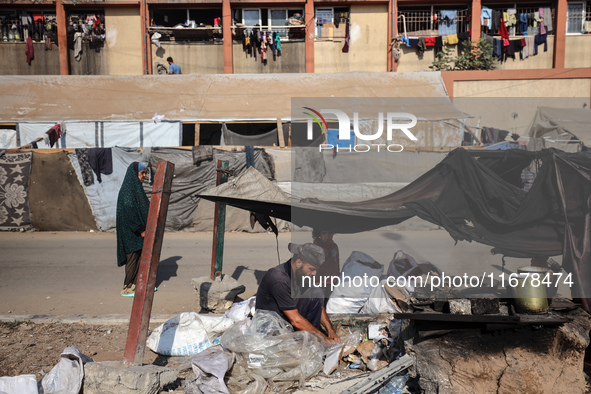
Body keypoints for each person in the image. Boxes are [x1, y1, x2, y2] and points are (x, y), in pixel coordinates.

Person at [255, 243, 342, 342]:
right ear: (298, 263)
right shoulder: (279, 279)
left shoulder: (301, 276)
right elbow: (295, 320)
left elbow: (316, 303)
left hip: (287, 322)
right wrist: (324, 339)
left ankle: (310, 340)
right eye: (311, 269)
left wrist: (331, 331)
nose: (314, 274)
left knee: (316, 291)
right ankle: (310, 340)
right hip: (271, 331)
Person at [116, 162, 149, 296]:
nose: (144, 176)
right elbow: (129, 211)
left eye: (145, 173)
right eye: (142, 173)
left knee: (140, 257)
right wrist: (141, 229)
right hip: (130, 232)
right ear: (134, 174)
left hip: (136, 231)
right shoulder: (128, 191)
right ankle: (127, 286)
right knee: (132, 259)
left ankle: (138, 284)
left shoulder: (135, 188)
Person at [312, 228, 340, 300]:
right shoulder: (316, 245)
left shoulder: (334, 246)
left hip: (332, 280)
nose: (326, 236)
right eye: (324, 233)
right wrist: (328, 245)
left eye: (329, 234)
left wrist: (337, 274)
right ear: (319, 234)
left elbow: (336, 261)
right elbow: (322, 256)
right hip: (320, 280)